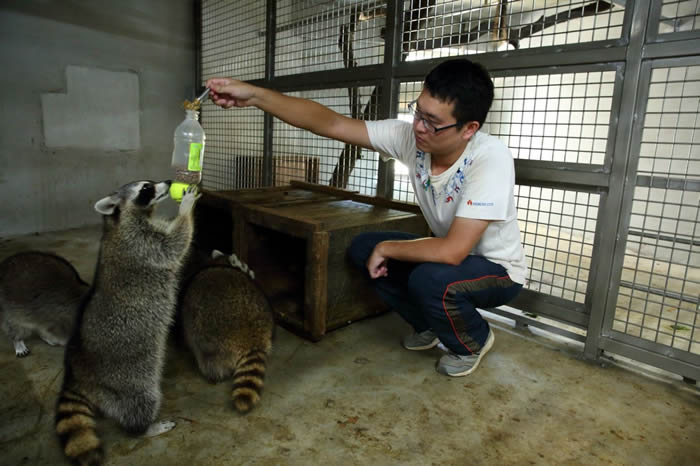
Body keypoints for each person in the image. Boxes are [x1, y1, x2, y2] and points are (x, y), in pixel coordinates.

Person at [206, 58, 527, 377]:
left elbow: (454, 251)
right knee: (362, 248)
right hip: (450, 258)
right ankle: (428, 323)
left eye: (432, 121)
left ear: (469, 129)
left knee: (427, 278)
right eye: (418, 112)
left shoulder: (489, 157)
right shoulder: (411, 138)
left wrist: (388, 248)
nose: (418, 126)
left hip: (497, 271)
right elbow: (331, 123)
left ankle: (473, 339)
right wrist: (255, 96)